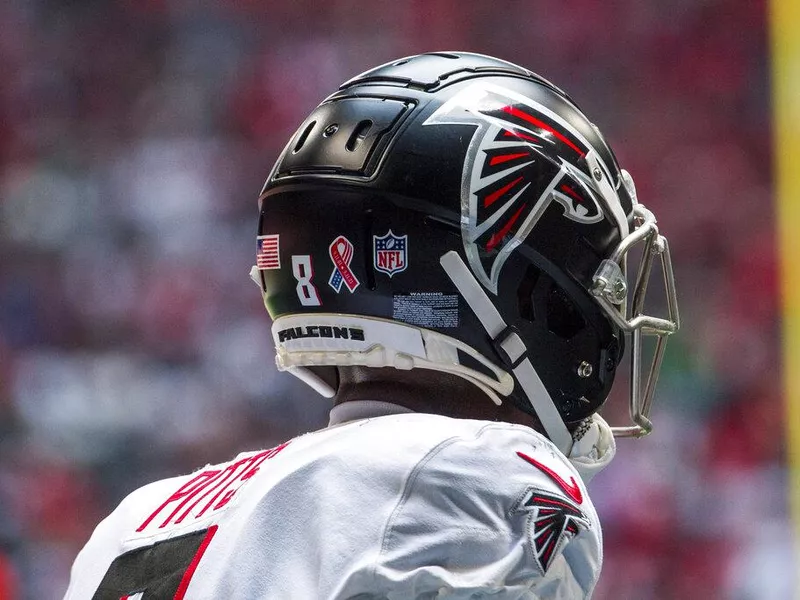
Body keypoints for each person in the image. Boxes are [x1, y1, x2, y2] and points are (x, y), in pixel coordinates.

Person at [64, 51, 679, 599]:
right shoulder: (484, 480)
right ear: (517, 281)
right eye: (603, 278)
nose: (611, 305)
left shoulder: (137, 521)